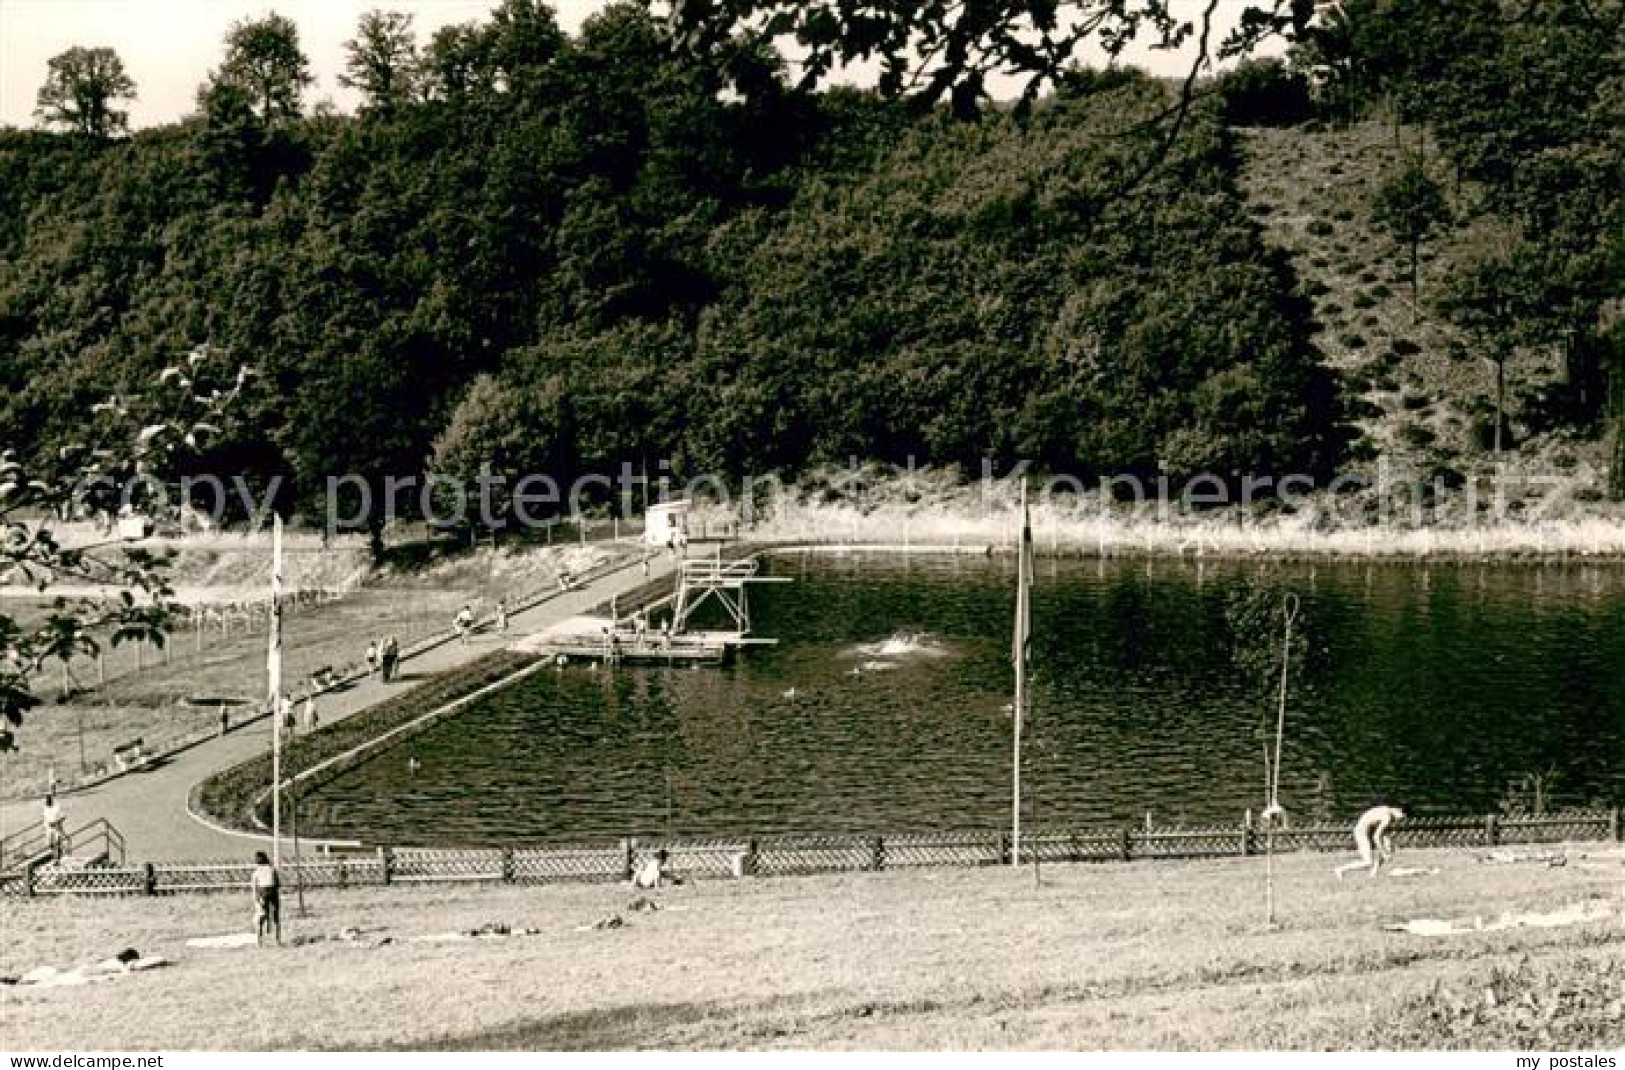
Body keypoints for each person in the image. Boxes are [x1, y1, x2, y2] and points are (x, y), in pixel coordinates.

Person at [1335, 803, 1406, 879]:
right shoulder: (1387, 817)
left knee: (1389, 846)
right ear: (1399, 811)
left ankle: (1374, 873)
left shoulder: (1385, 809)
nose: (1399, 820)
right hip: (1361, 832)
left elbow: (1375, 826)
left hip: (1368, 830)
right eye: (1402, 817)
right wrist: (1383, 852)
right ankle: (1341, 869)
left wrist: (1387, 846)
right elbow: (1376, 837)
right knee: (1368, 862)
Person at [251, 851, 281, 946]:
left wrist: (256, 899)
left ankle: (259, 942)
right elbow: (277, 884)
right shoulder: (272, 869)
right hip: (273, 893)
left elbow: (254, 887)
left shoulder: (256, 872)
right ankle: (277, 941)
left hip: (262, 893)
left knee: (260, 917)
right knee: (276, 917)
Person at [41, 793, 66, 861]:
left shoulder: (56, 807)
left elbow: (63, 816)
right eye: (47, 799)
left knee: (58, 842)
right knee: (50, 844)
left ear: (51, 799)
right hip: (48, 828)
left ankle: (59, 857)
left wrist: (57, 822)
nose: (47, 801)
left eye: (49, 799)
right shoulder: (45, 808)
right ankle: (54, 858)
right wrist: (45, 827)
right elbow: (44, 818)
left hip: (56, 827)